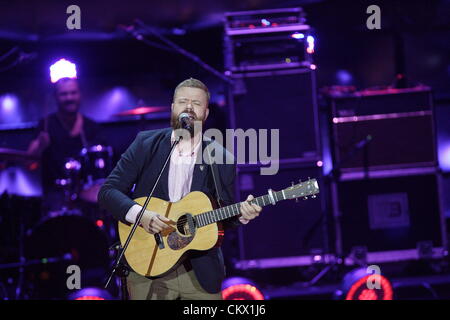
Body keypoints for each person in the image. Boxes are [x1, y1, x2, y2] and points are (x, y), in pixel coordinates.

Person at [98, 78, 262, 300]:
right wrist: (141, 215)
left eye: (196, 103)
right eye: (182, 101)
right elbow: (108, 191)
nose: (188, 107)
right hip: (148, 263)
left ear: (205, 112)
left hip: (199, 272)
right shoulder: (146, 144)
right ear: (172, 108)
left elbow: (223, 214)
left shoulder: (222, 158)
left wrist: (242, 215)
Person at [28, 77, 103, 212]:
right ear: (56, 97)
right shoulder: (46, 125)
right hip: (54, 196)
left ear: (80, 95)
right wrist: (40, 145)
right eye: (64, 94)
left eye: (73, 93)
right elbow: (29, 161)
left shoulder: (91, 126)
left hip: (88, 195)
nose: (69, 97)